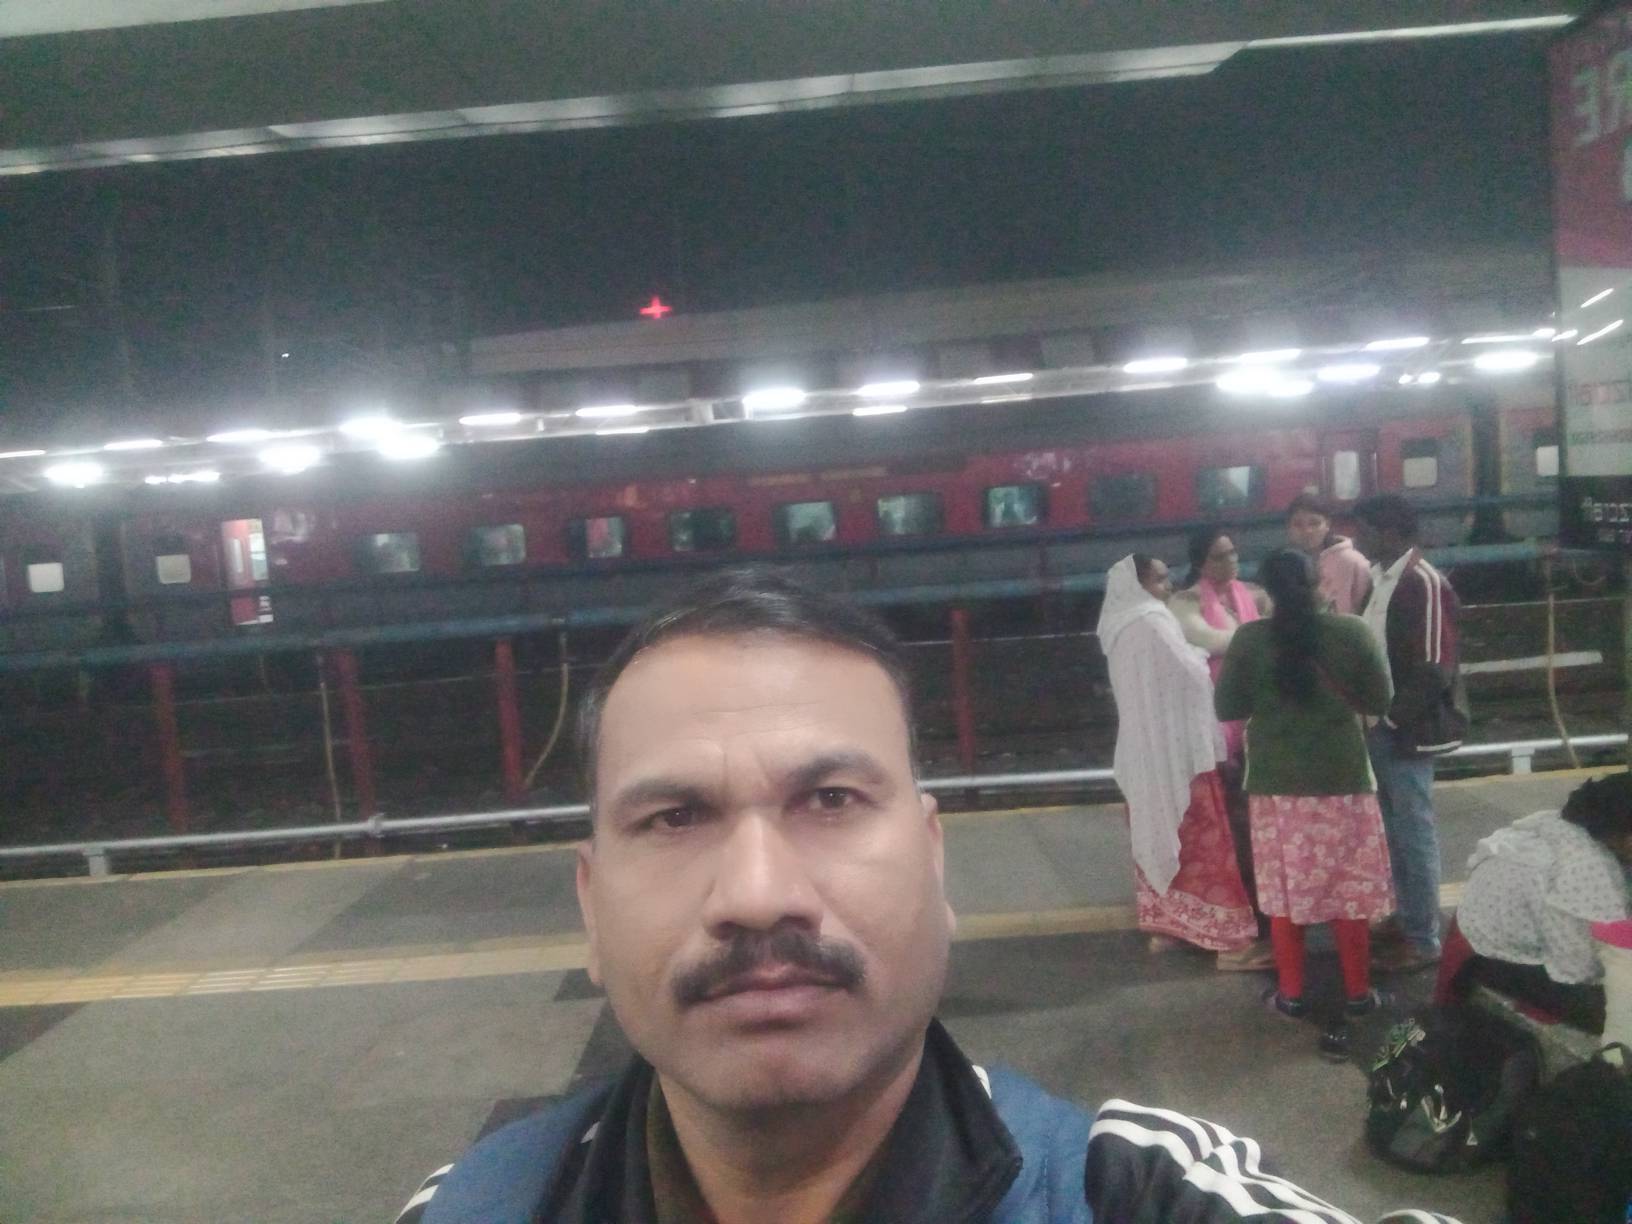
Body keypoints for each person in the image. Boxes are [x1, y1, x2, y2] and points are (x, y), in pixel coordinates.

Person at [398, 568, 1463, 1224]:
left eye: (831, 799)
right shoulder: (464, 1208)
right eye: (674, 818)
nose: (758, 895)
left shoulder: (1129, 1194)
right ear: (590, 909)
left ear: (934, 860)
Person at [1215, 550, 1396, 1022]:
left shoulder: (1250, 639)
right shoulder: (1352, 632)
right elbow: (1380, 699)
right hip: (1343, 781)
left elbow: (1227, 706)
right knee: (1348, 890)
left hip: (1277, 787)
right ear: (1319, 583)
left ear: (1267, 590)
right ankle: (1359, 995)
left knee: (1284, 891)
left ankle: (1291, 995)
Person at [1097, 554, 1260, 967]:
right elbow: (1189, 672)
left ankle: (1168, 928)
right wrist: (1202, 656)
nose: (1167, 586)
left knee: (1154, 836)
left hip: (1141, 754)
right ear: (1138, 585)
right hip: (1178, 755)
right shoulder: (1153, 619)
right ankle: (1224, 936)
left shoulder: (1115, 626)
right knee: (1202, 839)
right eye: (1159, 580)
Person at [1352, 495, 1468, 974]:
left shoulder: (1422, 581)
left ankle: (1423, 937)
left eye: (1362, 531)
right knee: (1395, 831)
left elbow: (1434, 666)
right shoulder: (1382, 579)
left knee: (1413, 832)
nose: (1357, 540)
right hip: (1382, 724)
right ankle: (1406, 916)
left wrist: (1393, 719)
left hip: (1405, 729)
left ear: (1388, 531)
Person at [1446, 774, 1632, 1034]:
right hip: (1494, 961)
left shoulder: (1561, 825)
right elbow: (1581, 969)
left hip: (1476, 933)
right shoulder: (1586, 871)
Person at [1285, 493, 1372, 615]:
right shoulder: (1284, 565)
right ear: (1289, 528)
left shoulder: (1352, 561)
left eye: (1314, 523)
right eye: (1298, 524)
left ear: (1328, 525)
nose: (1307, 531)